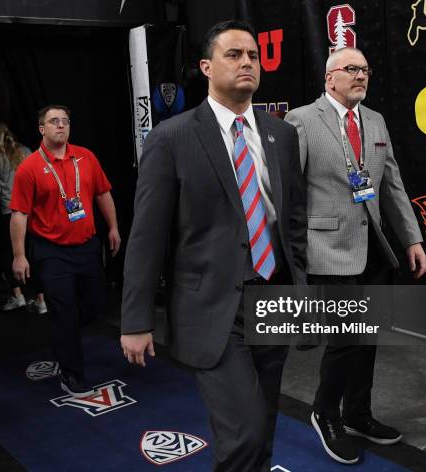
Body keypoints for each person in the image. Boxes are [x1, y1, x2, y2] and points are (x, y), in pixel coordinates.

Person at [121, 21, 307, 472]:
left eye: (253, 56)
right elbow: (147, 235)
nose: (247, 62)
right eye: (234, 54)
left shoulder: (281, 136)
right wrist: (136, 318)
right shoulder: (171, 138)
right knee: (242, 433)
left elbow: (294, 224)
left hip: (274, 298)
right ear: (206, 66)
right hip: (212, 307)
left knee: (263, 427)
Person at [285, 47, 426, 464]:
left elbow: (392, 185)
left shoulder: (376, 121)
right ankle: (325, 412)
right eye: (352, 69)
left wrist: (411, 239)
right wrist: (293, 259)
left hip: (373, 250)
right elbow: (290, 195)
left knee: (367, 339)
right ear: (330, 78)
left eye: (365, 69)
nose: (360, 76)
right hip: (326, 249)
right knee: (346, 338)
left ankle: (357, 414)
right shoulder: (303, 120)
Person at [10, 105, 121, 396]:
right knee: (65, 312)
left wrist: (113, 227)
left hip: (87, 246)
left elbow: (102, 193)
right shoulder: (29, 168)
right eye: (53, 121)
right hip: (51, 251)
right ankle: (71, 374)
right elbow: (19, 214)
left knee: (95, 303)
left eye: (65, 121)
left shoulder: (86, 157)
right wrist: (19, 255)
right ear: (42, 129)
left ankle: (63, 332)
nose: (60, 125)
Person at [0, 122, 47, 314]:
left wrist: (6, 194)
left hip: (9, 211)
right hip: (31, 210)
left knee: (7, 253)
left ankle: (18, 296)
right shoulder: (26, 150)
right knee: (33, 253)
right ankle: (41, 300)